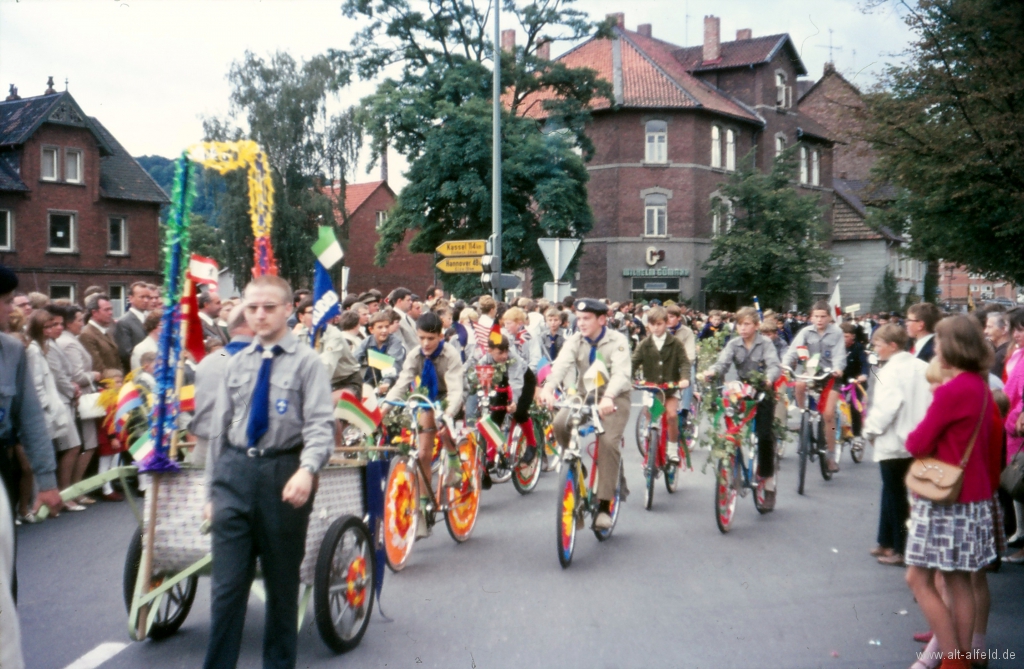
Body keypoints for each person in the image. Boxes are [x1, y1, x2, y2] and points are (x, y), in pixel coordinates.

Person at [203, 275, 334, 669]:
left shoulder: (308, 363)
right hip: (235, 475)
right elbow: (218, 430)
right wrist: (212, 493)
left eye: (268, 307)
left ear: (288, 310)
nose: (258, 315)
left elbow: (320, 426)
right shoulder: (234, 360)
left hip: (283, 475)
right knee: (226, 590)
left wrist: (307, 470)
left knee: (281, 588)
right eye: (251, 307)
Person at [904, 315, 1000, 669]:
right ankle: (959, 657)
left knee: (918, 578)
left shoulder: (953, 390)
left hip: (944, 499)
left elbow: (918, 443)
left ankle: (953, 659)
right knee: (960, 582)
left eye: (940, 342)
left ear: (953, 346)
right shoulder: (979, 386)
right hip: (972, 497)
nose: (936, 348)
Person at [540, 299, 632, 530]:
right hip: (585, 393)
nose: (580, 323)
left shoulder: (618, 341)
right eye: (578, 318)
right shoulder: (575, 340)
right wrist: (549, 388)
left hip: (614, 396)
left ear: (602, 320)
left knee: (608, 443)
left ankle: (603, 505)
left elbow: (621, 374)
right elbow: (560, 365)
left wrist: (609, 396)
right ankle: (575, 468)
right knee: (560, 423)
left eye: (586, 319)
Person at [384, 312, 467, 533]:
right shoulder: (415, 355)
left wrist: (448, 414)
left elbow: (455, 389)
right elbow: (401, 385)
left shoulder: (451, 355)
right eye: (421, 338)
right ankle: (423, 508)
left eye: (430, 338)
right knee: (422, 455)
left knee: (444, 428)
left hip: (450, 397)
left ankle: (454, 462)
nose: (425, 343)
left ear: (440, 336)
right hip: (427, 397)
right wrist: (383, 410)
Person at [862, 324, 931, 567]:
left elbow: (886, 408)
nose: (875, 349)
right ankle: (886, 539)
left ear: (892, 345)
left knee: (895, 494)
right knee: (892, 492)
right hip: (916, 439)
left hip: (893, 441)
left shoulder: (890, 371)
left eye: (879, 344)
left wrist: (869, 430)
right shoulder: (922, 367)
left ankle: (900, 548)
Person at [701, 307, 781, 507]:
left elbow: (774, 366)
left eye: (747, 324)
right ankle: (734, 464)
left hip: (763, 390)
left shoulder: (766, 343)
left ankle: (769, 484)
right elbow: (722, 364)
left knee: (764, 436)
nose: (742, 328)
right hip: (741, 391)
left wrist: (769, 380)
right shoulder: (733, 344)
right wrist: (711, 372)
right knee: (731, 431)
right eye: (739, 324)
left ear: (756, 326)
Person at [783, 300, 847, 472]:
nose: (819, 320)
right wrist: (784, 365)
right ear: (811, 317)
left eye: (823, 316)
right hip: (811, 372)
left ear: (829, 317)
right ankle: (804, 414)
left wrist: (838, 368)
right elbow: (792, 351)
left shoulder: (837, 333)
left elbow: (840, 354)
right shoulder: (805, 332)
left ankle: (831, 455)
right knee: (798, 384)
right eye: (816, 316)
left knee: (828, 415)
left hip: (830, 375)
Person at [191, 305, 254, 466]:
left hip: (204, 450)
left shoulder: (209, 360)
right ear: (252, 324)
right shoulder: (258, 360)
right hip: (240, 455)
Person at [632, 306, 689, 465]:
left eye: (659, 324)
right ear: (648, 325)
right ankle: (650, 441)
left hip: (670, 388)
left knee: (671, 415)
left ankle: (672, 448)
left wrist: (684, 378)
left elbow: (684, 362)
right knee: (650, 414)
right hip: (651, 389)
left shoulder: (675, 343)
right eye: (652, 324)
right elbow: (633, 362)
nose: (656, 328)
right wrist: (628, 378)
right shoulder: (644, 344)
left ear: (666, 324)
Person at [356, 310, 406, 392]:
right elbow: (355, 360)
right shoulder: (367, 341)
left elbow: (395, 364)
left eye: (386, 327)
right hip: (372, 380)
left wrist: (387, 382)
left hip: (393, 381)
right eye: (380, 327)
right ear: (371, 329)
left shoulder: (395, 342)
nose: (384, 330)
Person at [840, 322, 870, 441]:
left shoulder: (858, 348)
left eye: (846, 336)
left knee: (854, 406)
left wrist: (863, 375)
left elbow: (864, 364)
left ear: (853, 336)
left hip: (856, 381)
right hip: (840, 379)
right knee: (834, 406)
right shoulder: (836, 347)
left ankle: (857, 435)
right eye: (841, 336)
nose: (844, 339)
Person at [78, 294, 122, 375]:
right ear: (94, 313)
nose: (111, 313)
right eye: (106, 310)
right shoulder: (87, 335)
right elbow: (97, 367)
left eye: (111, 309)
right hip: (105, 383)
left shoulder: (106, 331)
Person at [115, 281, 150, 371]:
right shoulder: (124, 322)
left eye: (147, 297)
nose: (146, 300)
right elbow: (126, 354)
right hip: (136, 371)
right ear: (131, 298)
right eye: (142, 297)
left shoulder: (149, 318)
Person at [390, 287, 420, 354]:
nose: (411, 302)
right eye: (408, 300)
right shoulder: (393, 318)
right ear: (399, 301)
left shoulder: (407, 317)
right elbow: (400, 344)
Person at [983, 311, 1011, 379]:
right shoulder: (1009, 351)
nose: (985, 331)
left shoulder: (1000, 356)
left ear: (1004, 329)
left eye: (990, 327)